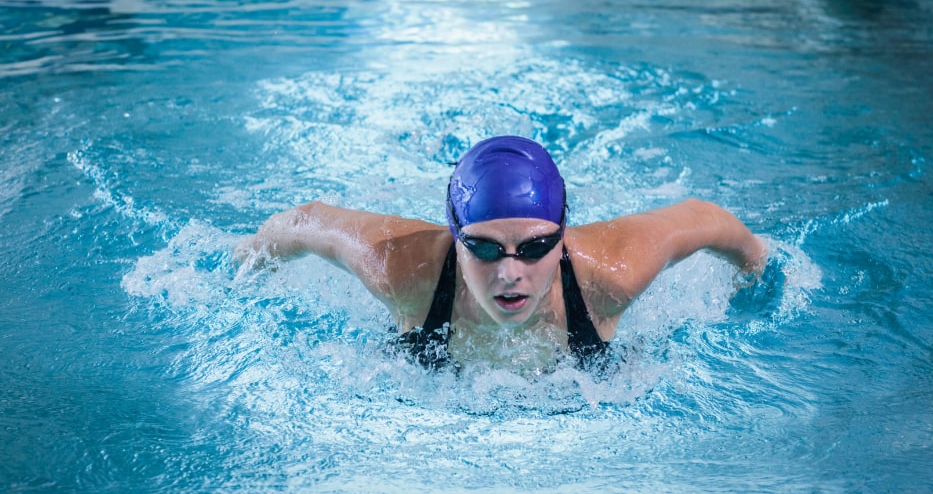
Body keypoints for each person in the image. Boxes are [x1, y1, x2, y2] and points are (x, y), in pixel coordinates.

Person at [234, 136, 766, 372]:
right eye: (484, 248)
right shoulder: (403, 269)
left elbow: (706, 219)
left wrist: (757, 272)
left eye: (535, 247)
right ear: (455, 236)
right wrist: (240, 268)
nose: (511, 272)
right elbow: (305, 222)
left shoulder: (611, 274)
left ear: (562, 234)